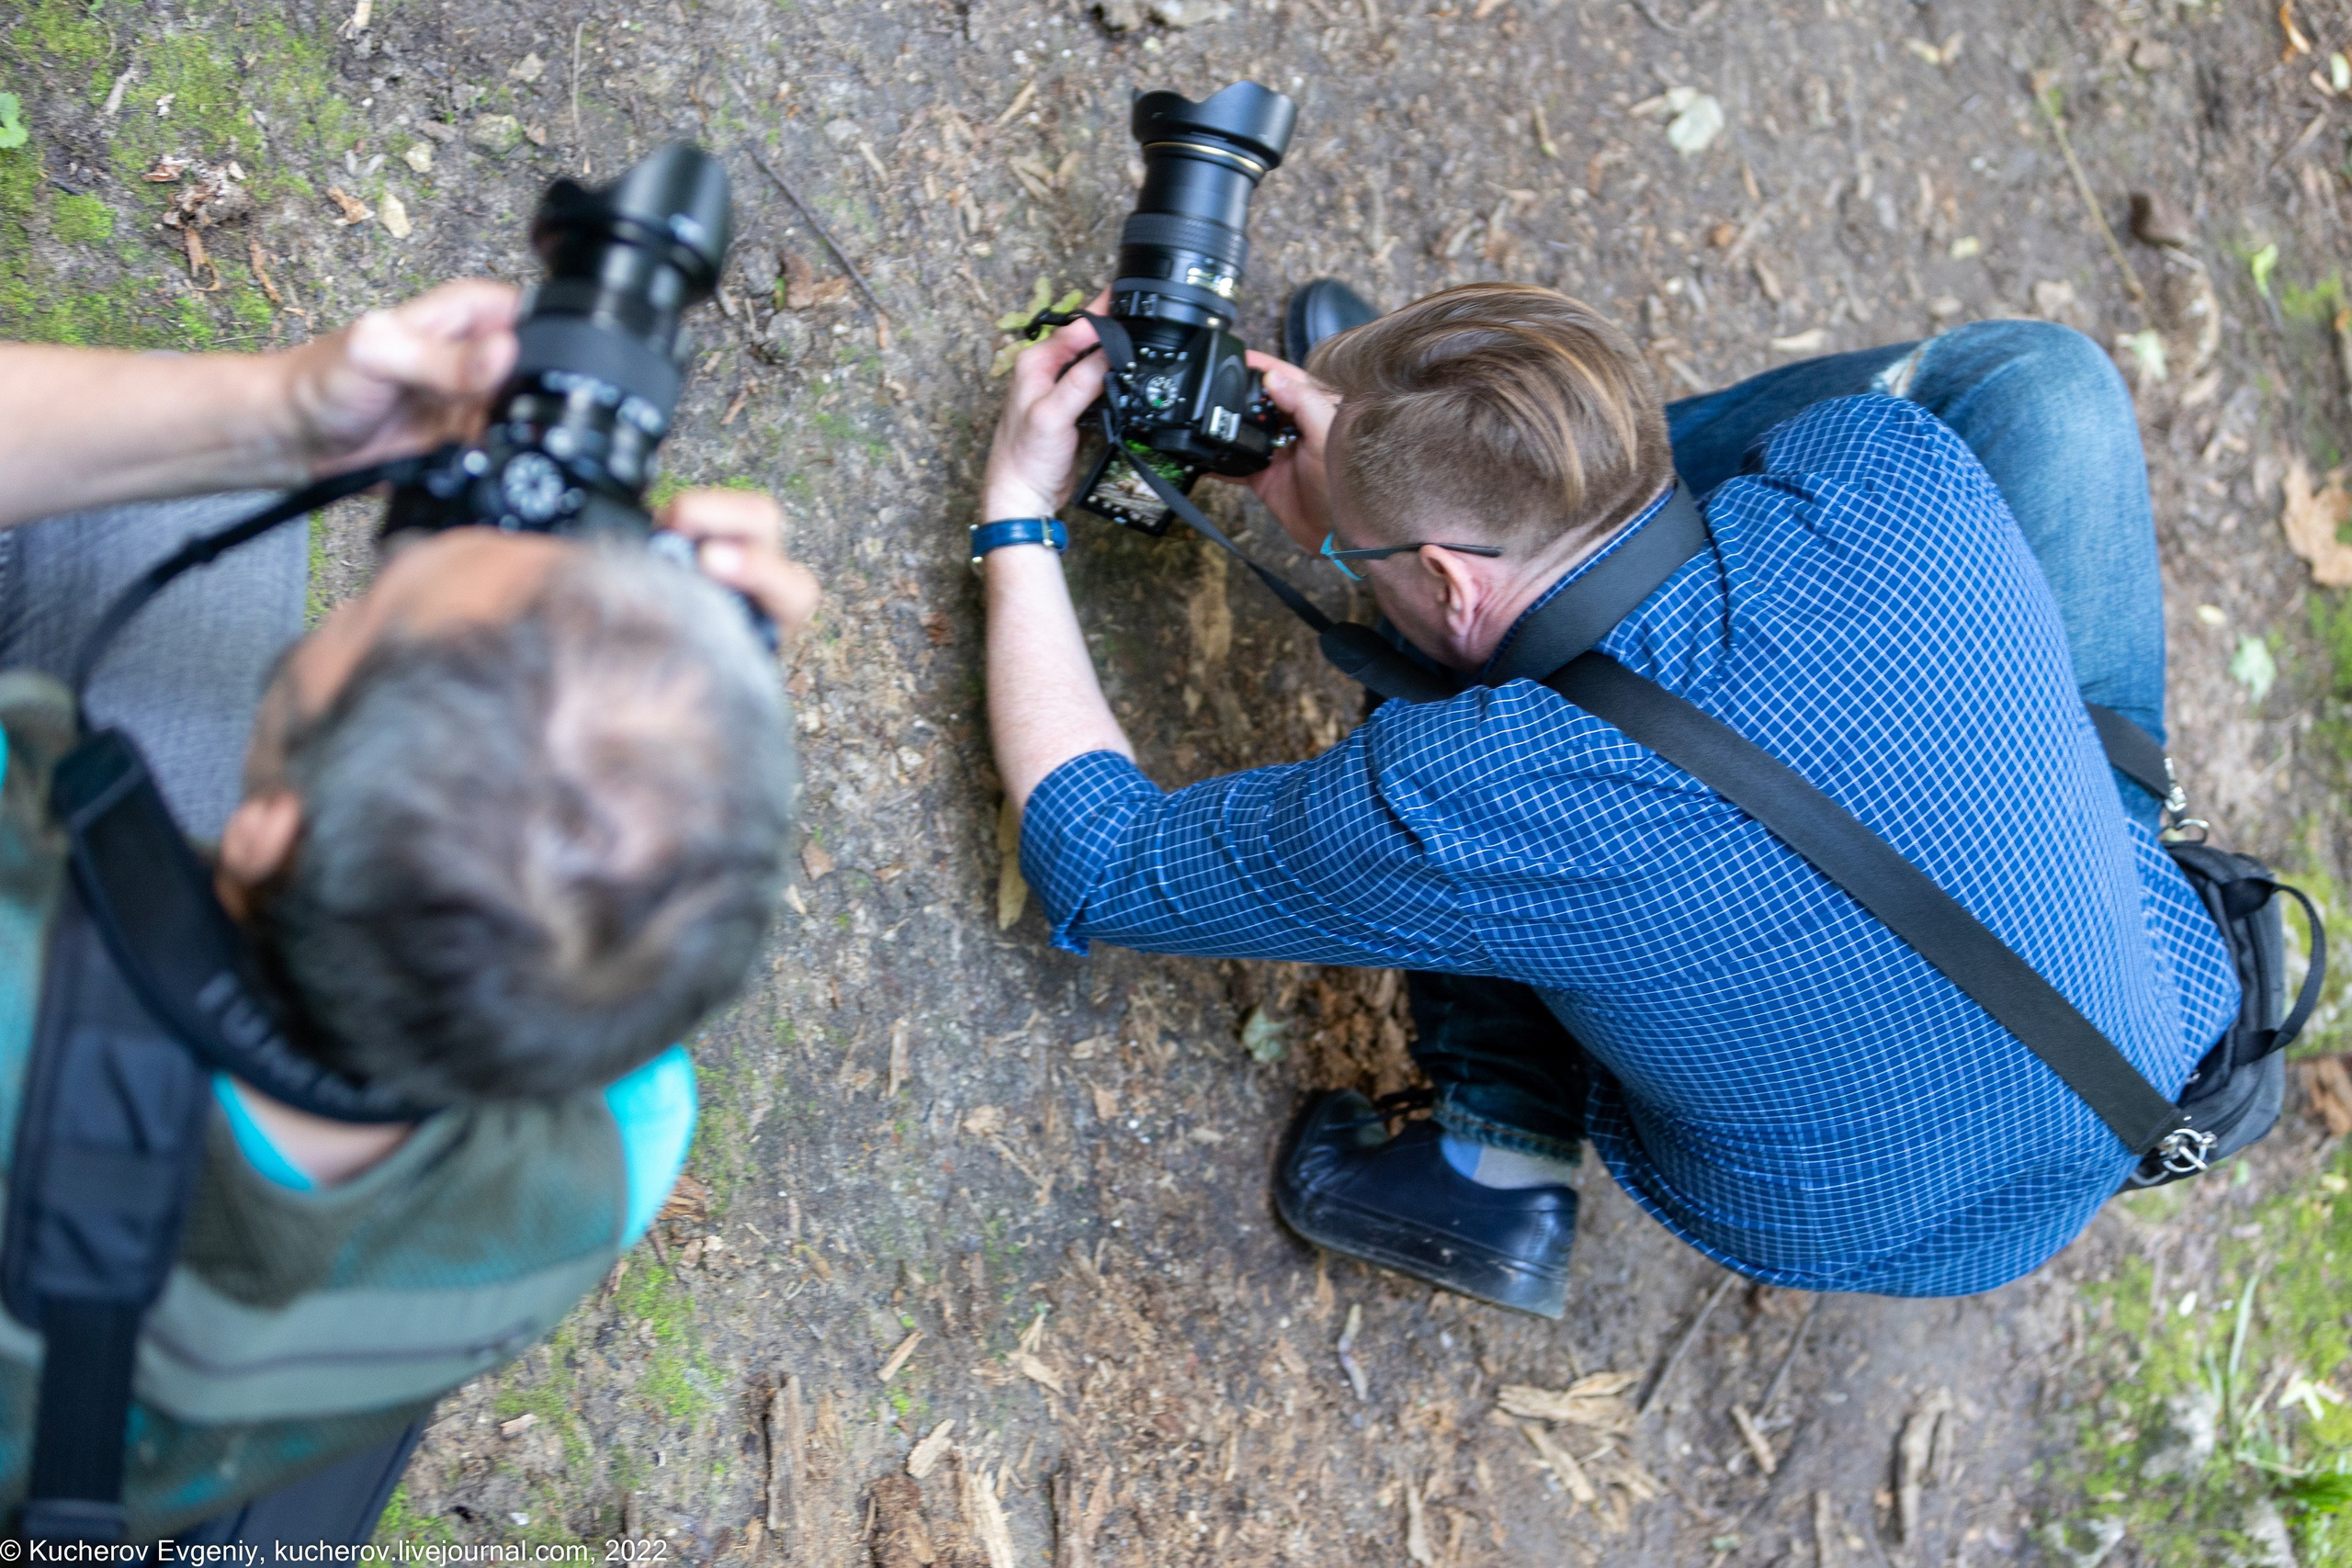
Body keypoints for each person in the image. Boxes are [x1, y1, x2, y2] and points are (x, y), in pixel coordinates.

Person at [978, 278, 2239, 1317]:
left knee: (1472, 748)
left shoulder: (1473, 786)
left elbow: (1099, 859)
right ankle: (1471, 500)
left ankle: (1498, 1147)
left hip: (1844, 1215)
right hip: (2143, 1040)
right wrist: (1399, 486)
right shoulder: (1891, 471)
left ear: (1449, 578)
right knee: (2034, 380)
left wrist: (1017, 516)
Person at [0, 279, 818, 1538]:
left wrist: (276, 415)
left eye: (376, 608)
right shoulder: (615, 1161)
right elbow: (618, 901)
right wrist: (697, 718)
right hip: (113, 1433)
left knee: (202, 513)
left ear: (269, 829)